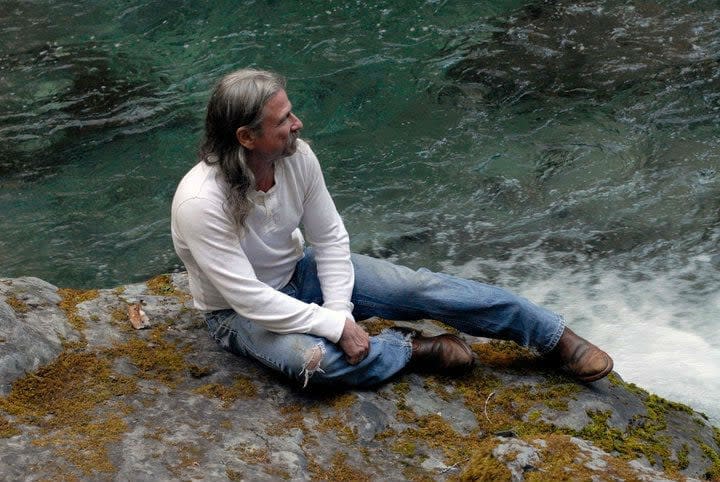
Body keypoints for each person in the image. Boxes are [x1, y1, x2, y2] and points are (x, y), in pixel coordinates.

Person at [171, 68, 613, 388]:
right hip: (236, 314)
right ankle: (410, 350)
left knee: (422, 289)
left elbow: (329, 239)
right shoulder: (200, 202)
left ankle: (553, 337)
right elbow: (247, 298)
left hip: (299, 272)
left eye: (291, 113)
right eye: (283, 120)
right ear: (247, 137)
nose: (297, 124)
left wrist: (339, 314)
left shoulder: (297, 156)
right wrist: (334, 329)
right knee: (313, 363)